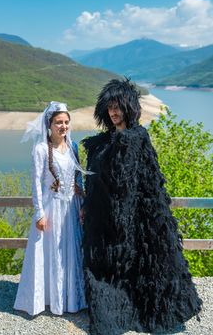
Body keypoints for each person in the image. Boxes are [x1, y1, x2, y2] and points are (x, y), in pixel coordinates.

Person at [82, 79, 202, 335]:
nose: (114, 113)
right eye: (110, 108)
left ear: (128, 108)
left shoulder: (138, 137)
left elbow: (150, 178)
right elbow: (92, 180)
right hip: (107, 221)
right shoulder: (100, 144)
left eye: (118, 107)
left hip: (137, 217)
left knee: (140, 264)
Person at [14, 101, 88, 316]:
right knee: (51, 251)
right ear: (49, 124)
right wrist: (40, 213)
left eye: (66, 122)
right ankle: (48, 298)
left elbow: (78, 178)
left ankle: (70, 299)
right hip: (51, 207)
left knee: (70, 252)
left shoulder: (72, 147)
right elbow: (36, 182)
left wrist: (82, 204)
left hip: (71, 207)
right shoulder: (40, 149)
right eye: (58, 122)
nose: (63, 126)